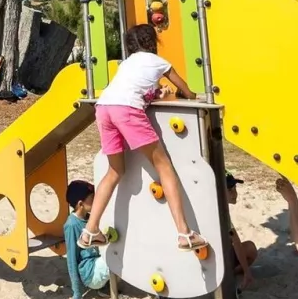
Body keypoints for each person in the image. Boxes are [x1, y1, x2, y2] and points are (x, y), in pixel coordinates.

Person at [78, 24, 209, 253]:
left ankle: (90, 230)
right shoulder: (158, 62)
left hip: (104, 108)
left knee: (114, 171)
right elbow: (185, 89)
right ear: (152, 42)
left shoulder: (126, 64)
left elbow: (137, 89)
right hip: (126, 110)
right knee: (165, 168)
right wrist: (192, 96)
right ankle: (184, 233)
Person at [61, 180, 109, 299]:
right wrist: (77, 293)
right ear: (80, 203)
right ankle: (107, 289)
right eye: (92, 198)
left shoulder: (90, 218)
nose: (95, 201)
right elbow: (71, 260)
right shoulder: (71, 225)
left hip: (97, 265)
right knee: (116, 257)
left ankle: (106, 288)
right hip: (90, 273)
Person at [224, 172, 257, 289]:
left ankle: (228, 273)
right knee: (250, 249)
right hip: (219, 258)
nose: (235, 193)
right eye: (230, 190)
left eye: (234, 188)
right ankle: (228, 274)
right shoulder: (221, 212)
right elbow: (235, 241)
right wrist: (247, 272)